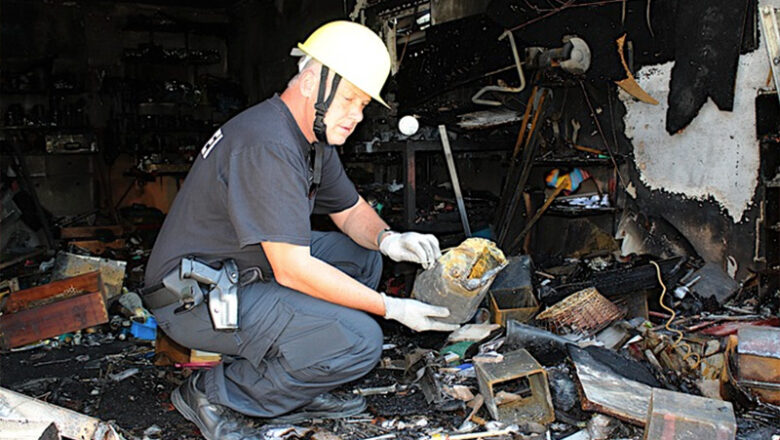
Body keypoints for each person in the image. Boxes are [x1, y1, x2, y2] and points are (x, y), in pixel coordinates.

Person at [142, 20, 459, 440]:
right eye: (349, 99)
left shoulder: (310, 139)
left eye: (363, 105)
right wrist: (390, 308)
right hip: (195, 298)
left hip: (242, 271)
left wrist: (389, 239)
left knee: (361, 257)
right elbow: (293, 269)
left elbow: (349, 211)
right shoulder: (267, 143)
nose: (356, 116)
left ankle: (300, 380)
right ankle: (215, 393)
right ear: (312, 81)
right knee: (360, 341)